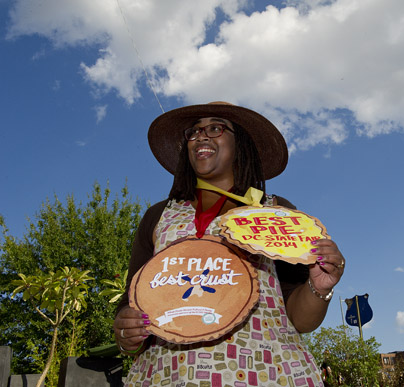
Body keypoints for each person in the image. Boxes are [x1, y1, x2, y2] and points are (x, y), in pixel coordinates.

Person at [113, 102, 346, 386]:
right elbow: (131, 307)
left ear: (241, 143)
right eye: (195, 131)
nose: (202, 136)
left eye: (215, 128)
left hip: (266, 374)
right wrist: (127, 331)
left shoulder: (276, 214)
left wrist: (318, 288)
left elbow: (301, 320)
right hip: (167, 375)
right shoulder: (157, 217)